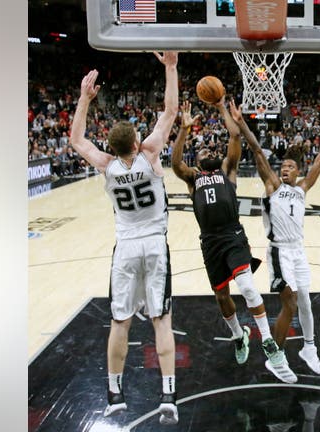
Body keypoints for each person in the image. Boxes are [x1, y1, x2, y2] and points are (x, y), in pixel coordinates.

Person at [69, 51, 180, 425]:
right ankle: (168, 394)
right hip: (154, 243)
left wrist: (85, 98)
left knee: (121, 322)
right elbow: (170, 110)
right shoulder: (150, 154)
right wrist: (170, 67)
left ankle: (115, 394)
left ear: (113, 147)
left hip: (126, 247)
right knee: (161, 320)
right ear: (136, 140)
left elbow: (76, 139)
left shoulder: (106, 165)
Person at [172, 99, 297, 384]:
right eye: (204, 150)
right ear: (198, 159)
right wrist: (183, 129)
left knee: (247, 286)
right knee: (221, 296)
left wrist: (220, 107)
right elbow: (176, 162)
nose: (210, 151)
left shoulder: (227, 171)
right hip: (210, 243)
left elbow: (235, 135)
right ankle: (238, 335)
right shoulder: (193, 178)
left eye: (212, 149)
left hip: (233, 236)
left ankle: (268, 342)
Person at [229, 102, 320, 376]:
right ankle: (274, 356)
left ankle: (308, 348)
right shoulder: (273, 186)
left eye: (291, 167)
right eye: (284, 166)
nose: (285, 169)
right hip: (279, 252)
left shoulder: (302, 189)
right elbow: (256, 150)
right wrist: (242, 123)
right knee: (289, 303)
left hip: (298, 252)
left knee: (305, 302)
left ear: (298, 172)